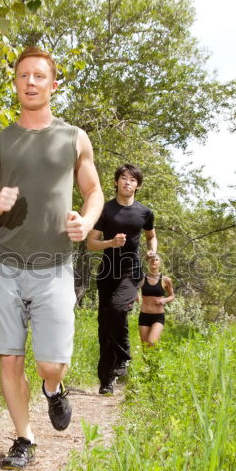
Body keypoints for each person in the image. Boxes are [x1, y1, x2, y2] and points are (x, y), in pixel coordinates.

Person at [0, 46, 103, 471]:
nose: (30, 82)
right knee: (10, 356)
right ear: (15, 84)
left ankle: (52, 390)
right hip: (4, 263)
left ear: (53, 85)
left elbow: (94, 192)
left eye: (39, 76)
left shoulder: (74, 138)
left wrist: (86, 221)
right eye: (23, 76)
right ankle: (24, 438)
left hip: (55, 264)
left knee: (50, 363)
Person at [85, 164, 157, 395]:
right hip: (107, 272)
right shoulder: (105, 210)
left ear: (138, 185)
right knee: (105, 325)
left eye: (132, 180)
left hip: (130, 271)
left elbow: (151, 236)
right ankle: (106, 380)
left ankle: (123, 356)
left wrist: (152, 251)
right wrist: (110, 243)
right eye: (123, 178)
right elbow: (91, 242)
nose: (127, 182)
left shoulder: (145, 213)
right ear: (116, 182)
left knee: (116, 309)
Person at [137, 253, 174, 346]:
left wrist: (164, 300)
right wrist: (134, 295)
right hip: (144, 316)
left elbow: (172, 296)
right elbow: (132, 289)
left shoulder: (166, 280)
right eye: (151, 260)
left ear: (160, 263)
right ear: (148, 263)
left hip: (158, 317)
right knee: (145, 347)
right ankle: (151, 361)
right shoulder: (142, 279)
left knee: (152, 342)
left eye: (156, 259)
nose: (154, 261)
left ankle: (156, 359)